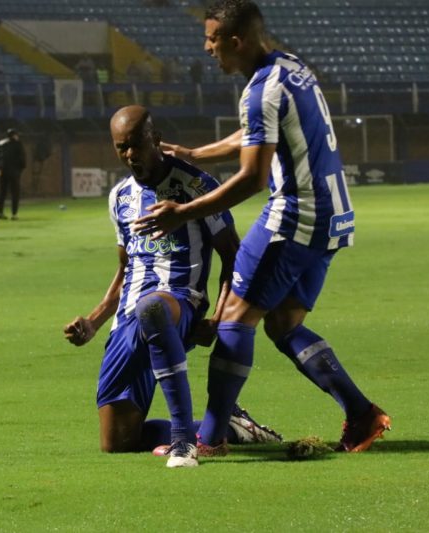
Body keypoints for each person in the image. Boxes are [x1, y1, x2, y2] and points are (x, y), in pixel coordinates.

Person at [133, 0, 390, 454]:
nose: (207, 47)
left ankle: (208, 439)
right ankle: (362, 413)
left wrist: (182, 212)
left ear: (238, 40)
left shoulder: (259, 91)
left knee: (234, 318)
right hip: (335, 216)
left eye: (212, 39)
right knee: (285, 325)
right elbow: (253, 133)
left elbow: (252, 177)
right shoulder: (290, 68)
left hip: (294, 216)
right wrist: (196, 154)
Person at [64, 105, 281, 468]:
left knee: (151, 307)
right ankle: (224, 426)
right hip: (129, 319)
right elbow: (125, 268)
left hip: (180, 300)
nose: (129, 154)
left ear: (156, 139)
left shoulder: (195, 185)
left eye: (136, 144)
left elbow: (233, 255)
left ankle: (183, 442)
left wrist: (218, 315)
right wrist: (94, 321)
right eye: (121, 148)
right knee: (117, 442)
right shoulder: (120, 197)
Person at [0, 129, 26, 221]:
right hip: (14, 172)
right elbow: (22, 159)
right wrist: (20, 170)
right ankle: (14, 214)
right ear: (14, 135)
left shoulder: (1, 144)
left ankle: (0, 212)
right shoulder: (18, 144)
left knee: (2, 193)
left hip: (3, 172)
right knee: (15, 193)